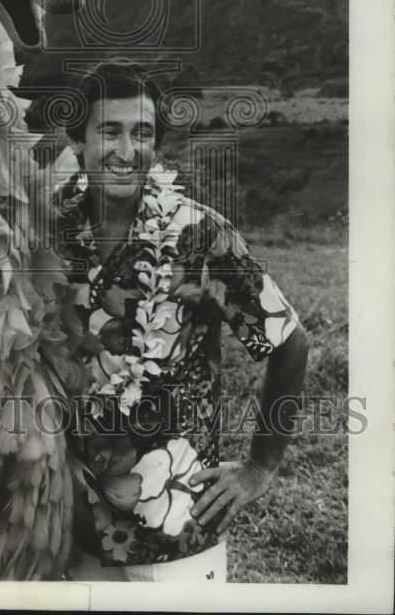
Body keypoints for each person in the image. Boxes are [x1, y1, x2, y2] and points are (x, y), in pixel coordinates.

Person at [48, 61, 308, 582]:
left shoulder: (201, 235)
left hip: (178, 534)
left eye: (142, 133)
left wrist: (259, 467)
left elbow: (289, 342)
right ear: (78, 141)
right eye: (109, 131)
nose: (126, 150)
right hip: (67, 531)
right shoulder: (47, 230)